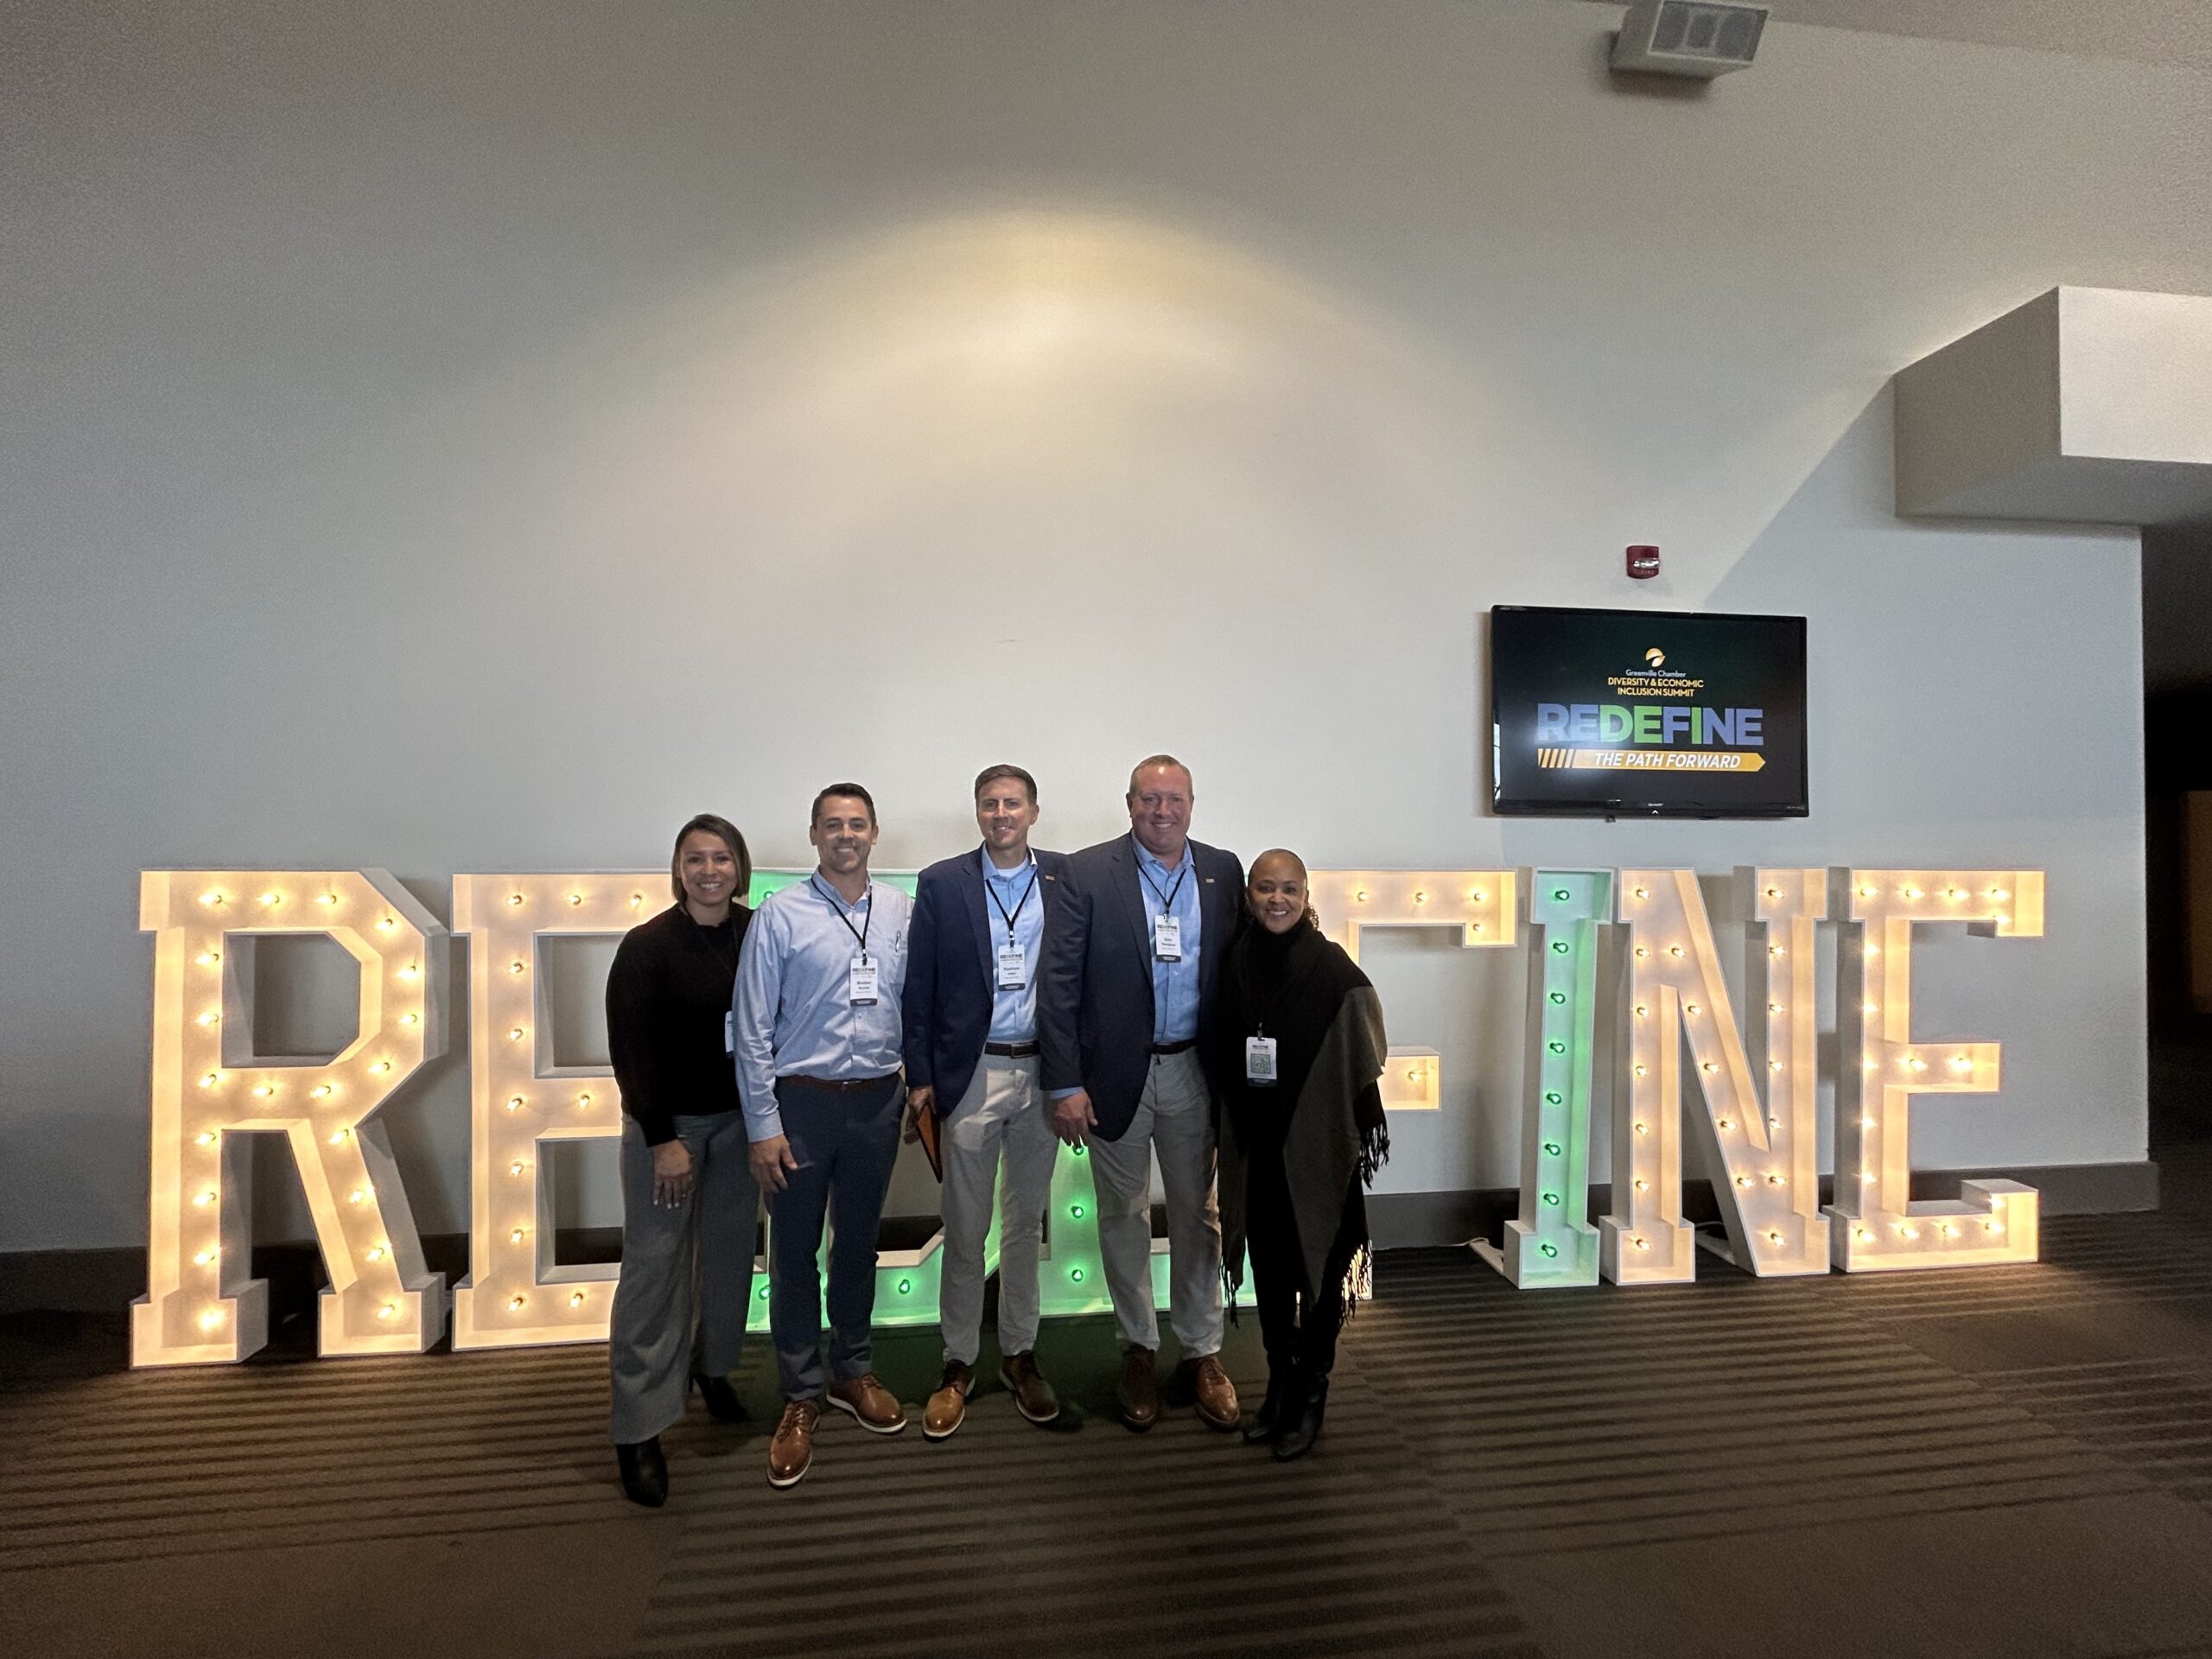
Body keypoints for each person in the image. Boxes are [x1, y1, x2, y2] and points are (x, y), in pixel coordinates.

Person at [1037, 754, 1243, 1432]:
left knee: (1198, 1216)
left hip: (1194, 1071)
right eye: (1149, 799)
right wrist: (1065, 1082)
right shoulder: (1088, 871)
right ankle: (1138, 1347)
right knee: (1122, 1215)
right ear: (1129, 804)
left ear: (1192, 803)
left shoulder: (1223, 870)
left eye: (1174, 799)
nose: (1162, 811)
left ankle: (1203, 1350)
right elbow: (1059, 984)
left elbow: (1244, 970)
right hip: (1113, 1078)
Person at [734, 783, 914, 1489]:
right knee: (794, 1254)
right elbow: (750, 1030)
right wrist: (762, 1126)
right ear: (813, 835)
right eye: (832, 824)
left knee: (859, 1245)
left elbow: (916, 1005)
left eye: (857, 824)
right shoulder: (779, 916)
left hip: (877, 1102)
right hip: (799, 1106)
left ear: (875, 834)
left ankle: (854, 1371)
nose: (846, 835)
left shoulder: (901, 912)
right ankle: (801, 1392)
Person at [903, 765, 1069, 1439]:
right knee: (965, 1226)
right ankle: (958, 1362)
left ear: (1034, 811)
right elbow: (919, 988)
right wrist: (919, 1077)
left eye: (1012, 804)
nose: (1001, 813)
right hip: (969, 1074)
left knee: (1025, 1226)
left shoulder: (1065, 878)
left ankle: (1020, 1354)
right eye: (989, 804)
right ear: (977, 812)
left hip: (1042, 1073)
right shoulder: (943, 883)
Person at [1211, 849, 1389, 1461]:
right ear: (1249, 894)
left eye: (1288, 889)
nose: (1276, 899)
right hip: (1257, 1150)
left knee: (1317, 1275)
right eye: (1265, 888)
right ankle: (1280, 1385)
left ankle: (1313, 1390)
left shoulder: (1332, 968)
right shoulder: (1236, 960)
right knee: (1269, 1269)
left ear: (1306, 894)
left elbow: (1363, 1049)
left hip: (1314, 1151)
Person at [604, 813, 758, 1508]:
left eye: (721, 858)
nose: (709, 871)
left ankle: (712, 1370)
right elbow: (630, 1052)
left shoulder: (757, 932)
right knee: (655, 1273)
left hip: (743, 1125)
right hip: (668, 1134)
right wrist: (663, 1138)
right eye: (695, 859)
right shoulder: (647, 947)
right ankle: (638, 1431)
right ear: (677, 868)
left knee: (728, 1260)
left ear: (738, 867)